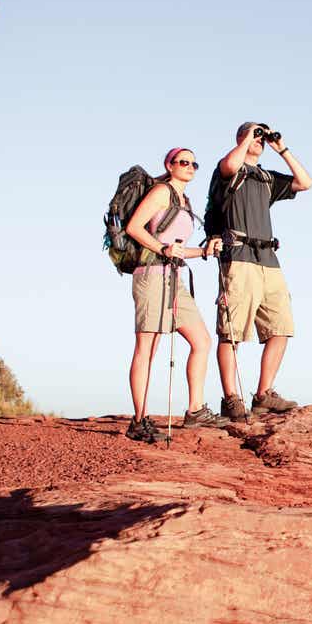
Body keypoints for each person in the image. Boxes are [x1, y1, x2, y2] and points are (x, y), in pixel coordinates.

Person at [205, 122, 312, 420]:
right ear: (240, 138)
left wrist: (282, 149)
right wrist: (247, 138)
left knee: (281, 327)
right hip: (237, 256)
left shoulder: (265, 177)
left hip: (267, 258)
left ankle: (263, 394)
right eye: (255, 136)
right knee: (232, 332)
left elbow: (305, 182)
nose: (259, 141)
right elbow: (228, 164)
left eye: (261, 138)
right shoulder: (229, 170)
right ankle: (231, 398)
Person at [123, 147, 228, 441]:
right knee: (148, 347)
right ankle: (139, 419)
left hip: (175, 277)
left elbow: (177, 249)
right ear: (169, 165)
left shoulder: (185, 200)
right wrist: (163, 250)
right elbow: (134, 228)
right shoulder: (161, 191)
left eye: (194, 163)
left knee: (202, 341)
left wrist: (204, 250)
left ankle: (195, 410)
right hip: (152, 276)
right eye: (183, 162)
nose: (190, 166)